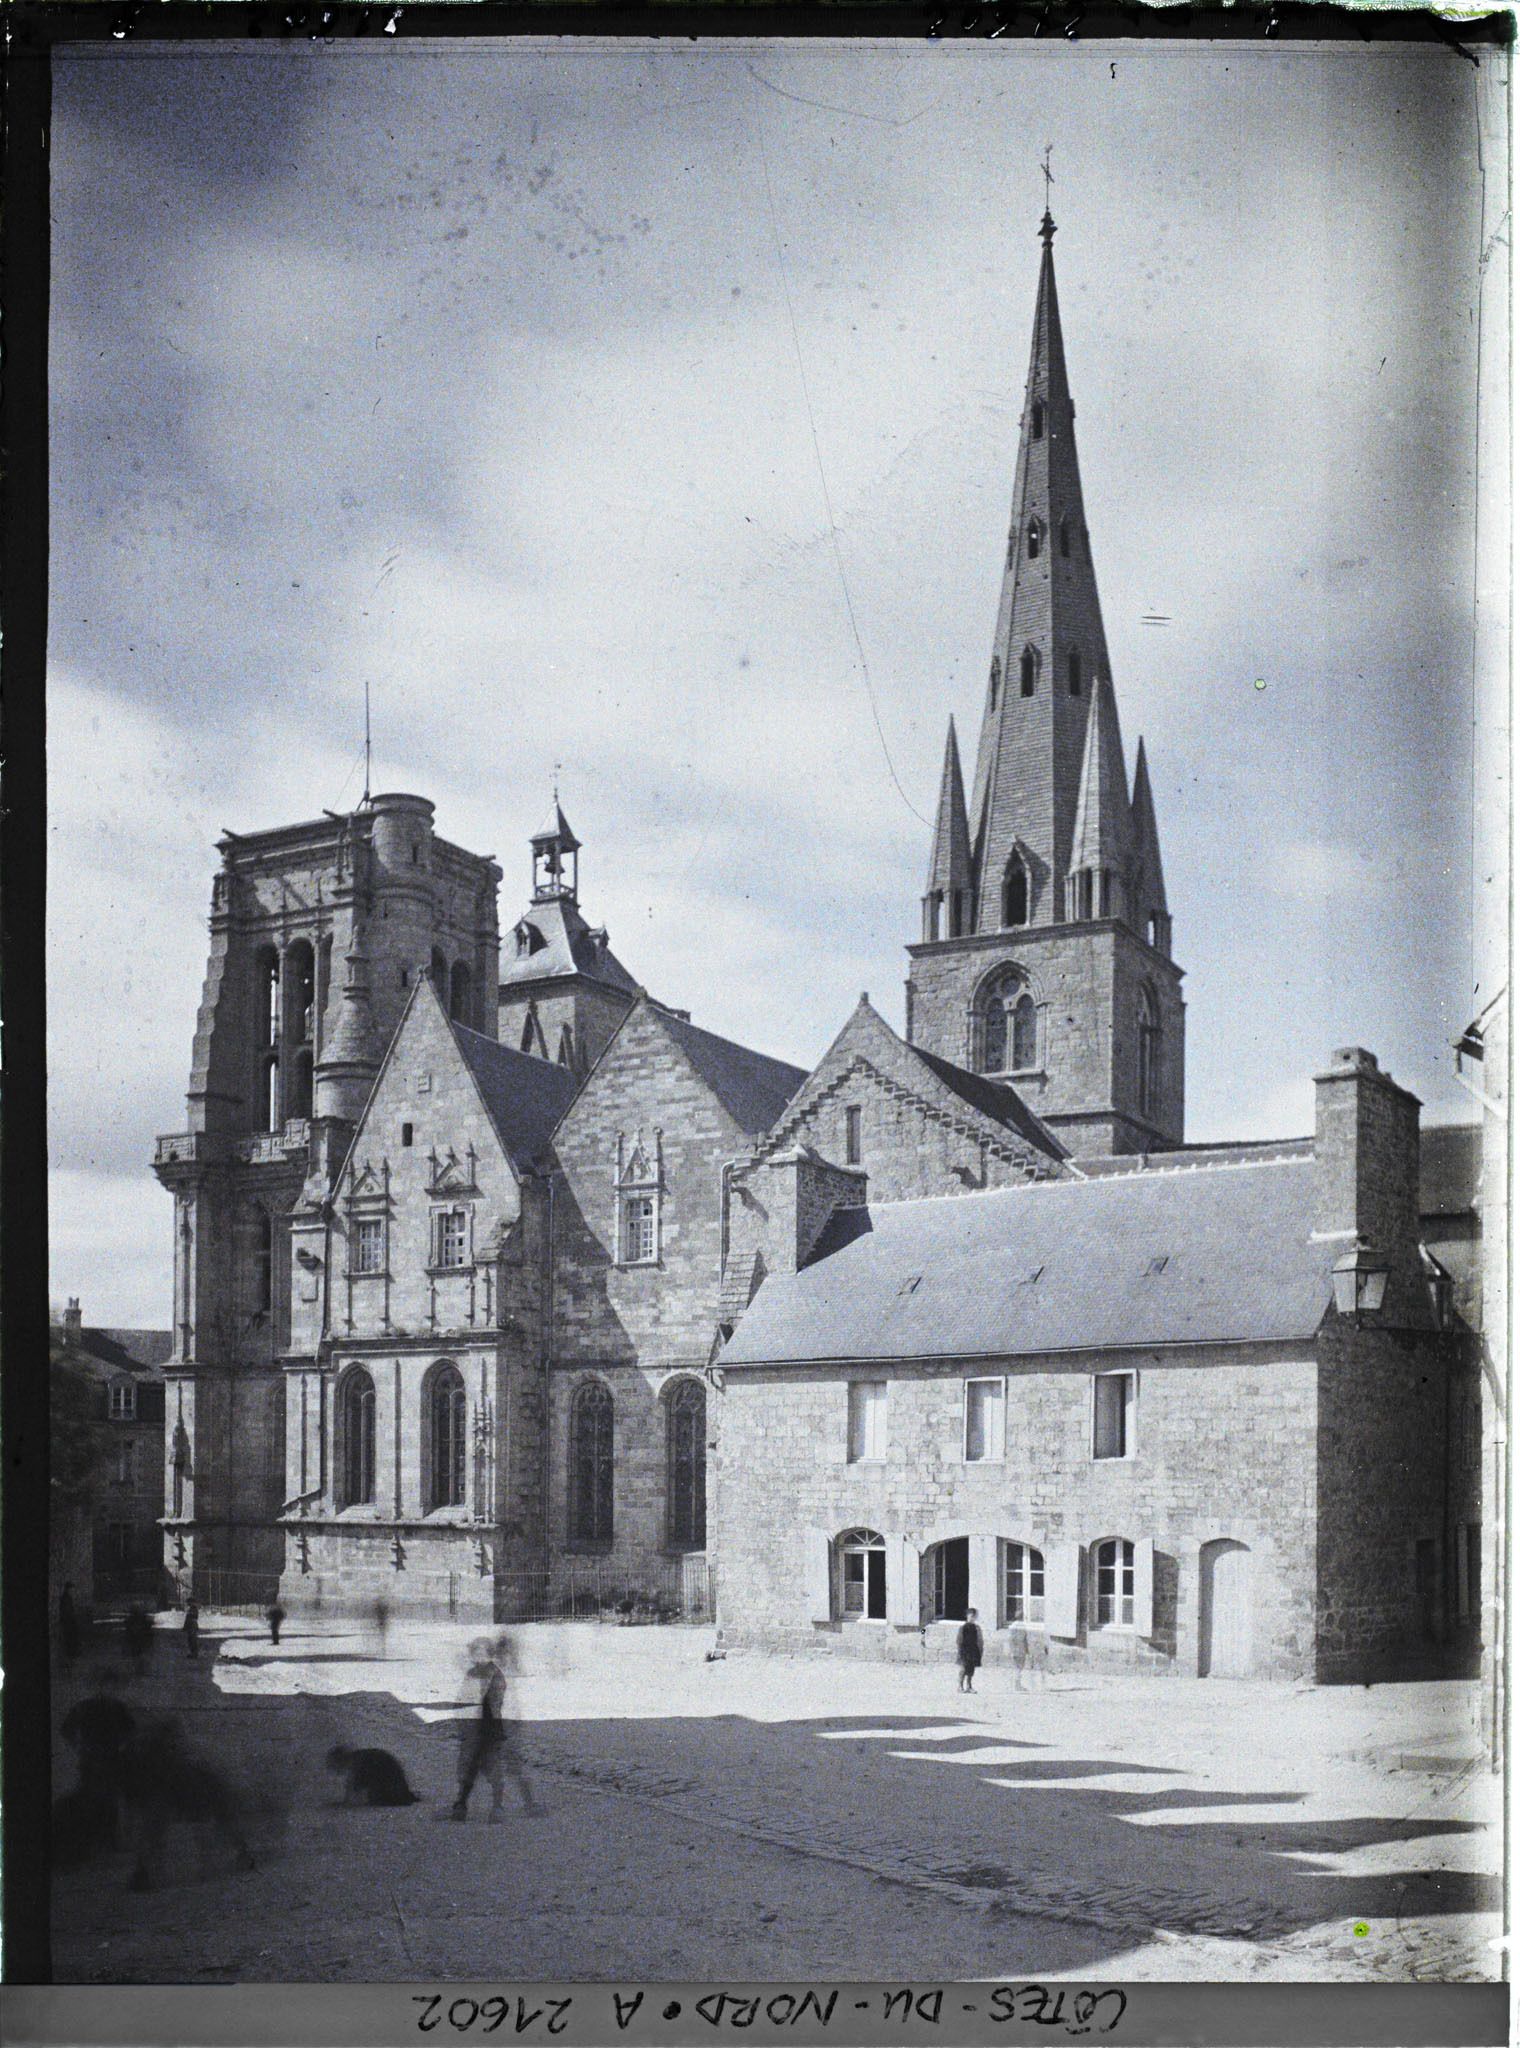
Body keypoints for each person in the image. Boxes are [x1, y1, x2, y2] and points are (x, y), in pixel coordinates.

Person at [452, 1634, 539, 1823]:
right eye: (475, 1652)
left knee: (499, 1768)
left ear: (490, 1654)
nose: (478, 1656)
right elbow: (462, 1699)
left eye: (482, 1652)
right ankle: (462, 1805)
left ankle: (501, 1806)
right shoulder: (472, 1673)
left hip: (493, 1729)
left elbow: (497, 1703)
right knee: (470, 1768)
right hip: (475, 1729)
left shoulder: (495, 1674)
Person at [61, 1670, 136, 1848]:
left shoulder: (117, 1708)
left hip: (110, 1758)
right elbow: (66, 1729)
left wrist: (122, 1745)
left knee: (109, 1798)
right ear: (98, 1687)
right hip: (92, 1758)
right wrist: (77, 1746)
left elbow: (131, 1731)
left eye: (112, 1686)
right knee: (92, 1796)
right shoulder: (84, 1707)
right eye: (105, 1686)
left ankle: (107, 1840)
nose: (108, 1690)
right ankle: (92, 1839)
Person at [956, 1607, 984, 1694]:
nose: (973, 1618)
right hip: (965, 1651)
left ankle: (969, 1686)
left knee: (971, 1669)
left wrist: (980, 1650)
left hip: (973, 1650)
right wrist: (960, 1651)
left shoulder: (976, 1628)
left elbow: (980, 1640)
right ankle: (960, 1686)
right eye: (971, 1616)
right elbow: (959, 1640)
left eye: (974, 1616)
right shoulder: (963, 1627)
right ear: (967, 1616)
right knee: (963, 1668)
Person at [123, 1605, 153, 1669]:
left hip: (135, 1639)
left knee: (136, 1653)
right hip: (139, 1639)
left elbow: (126, 1625)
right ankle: (139, 1666)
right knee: (139, 1653)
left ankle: (138, 1666)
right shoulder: (143, 1619)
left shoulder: (130, 1620)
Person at [58, 1583, 81, 1666]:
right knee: (70, 1641)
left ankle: (70, 1659)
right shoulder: (66, 1599)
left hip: (68, 1622)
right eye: (72, 1589)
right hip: (68, 1623)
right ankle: (70, 1660)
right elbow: (67, 1612)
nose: (73, 1591)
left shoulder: (67, 1598)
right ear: (68, 1589)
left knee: (70, 1641)